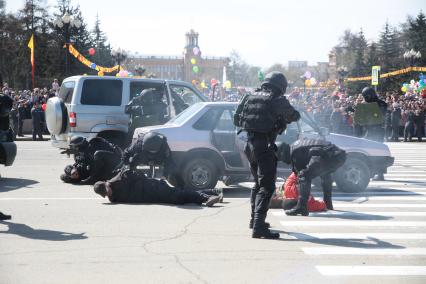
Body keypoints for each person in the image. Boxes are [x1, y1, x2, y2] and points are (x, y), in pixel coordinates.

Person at [235, 71, 300, 239]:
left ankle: (254, 220)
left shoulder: (250, 96)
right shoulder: (276, 99)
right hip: (264, 145)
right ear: (280, 86)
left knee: (258, 184)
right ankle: (258, 227)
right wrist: (280, 119)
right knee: (267, 186)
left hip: (249, 144)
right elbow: (295, 115)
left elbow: (237, 119)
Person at [278, 138, 346, 216]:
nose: (283, 161)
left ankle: (301, 207)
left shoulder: (294, 152)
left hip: (331, 155)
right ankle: (328, 203)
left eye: (281, 159)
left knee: (304, 175)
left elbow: (300, 175)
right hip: (339, 155)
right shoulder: (296, 146)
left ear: (282, 153)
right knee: (324, 174)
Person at [93, 169, 221, 206]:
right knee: (181, 195)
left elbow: (139, 174)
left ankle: (207, 198)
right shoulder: (113, 198)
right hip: (152, 196)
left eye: (106, 190)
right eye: (105, 194)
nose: (107, 194)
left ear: (106, 183)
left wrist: (144, 185)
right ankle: (215, 192)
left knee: (179, 196)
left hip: (154, 188)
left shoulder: (122, 176)